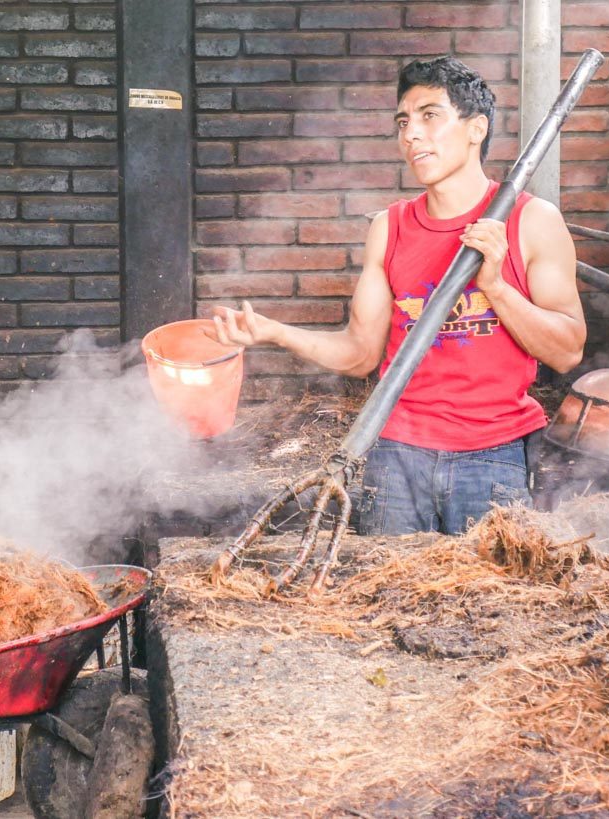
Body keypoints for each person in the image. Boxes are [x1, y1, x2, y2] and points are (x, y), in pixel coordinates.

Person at [209, 55, 586, 536]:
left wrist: (494, 284)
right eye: (403, 122)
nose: (411, 134)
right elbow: (360, 354)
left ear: (476, 129)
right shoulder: (389, 229)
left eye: (430, 116)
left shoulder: (532, 222)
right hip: (395, 452)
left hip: (492, 455)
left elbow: (568, 349)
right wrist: (273, 332)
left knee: (486, 602)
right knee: (390, 600)